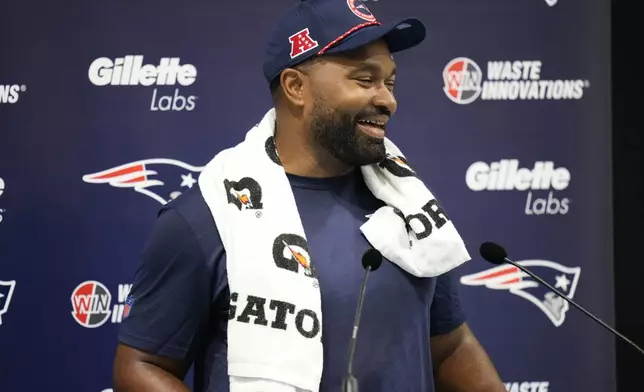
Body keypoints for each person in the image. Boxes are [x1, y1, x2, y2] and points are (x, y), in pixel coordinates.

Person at [112, 0, 507, 391]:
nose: (388, 100)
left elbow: (451, 347)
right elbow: (141, 367)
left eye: (390, 82)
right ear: (296, 87)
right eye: (365, 80)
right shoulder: (208, 217)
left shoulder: (410, 205)